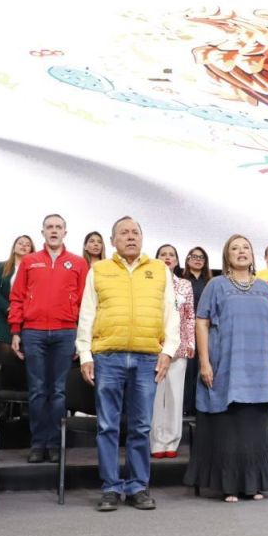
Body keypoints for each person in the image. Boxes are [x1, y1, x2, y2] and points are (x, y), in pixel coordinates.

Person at [75, 216, 179, 512]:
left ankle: (137, 487)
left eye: (135, 232)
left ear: (142, 238)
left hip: (147, 358)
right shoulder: (99, 270)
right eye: (124, 233)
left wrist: (168, 351)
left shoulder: (159, 270)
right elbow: (87, 313)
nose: (131, 237)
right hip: (108, 357)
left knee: (141, 427)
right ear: (113, 241)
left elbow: (170, 314)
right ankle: (110, 487)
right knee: (107, 426)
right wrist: (85, 354)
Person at [183, 234, 268, 502]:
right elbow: (201, 322)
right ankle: (228, 486)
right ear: (227, 255)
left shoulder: (264, 287)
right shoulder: (216, 285)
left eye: (245, 247)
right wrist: (204, 361)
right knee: (229, 427)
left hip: (258, 368)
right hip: (225, 366)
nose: (241, 251)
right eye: (235, 248)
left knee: (253, 428)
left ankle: (254, 484)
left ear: (252, 255)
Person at [8, 215, 88, 464]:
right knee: (37, 391)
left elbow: (86, 302)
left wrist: (82, 337)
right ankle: (37, 443)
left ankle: (54, 444)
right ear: (42, 232)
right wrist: (15, 330)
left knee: (58, 392)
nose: (54, 231)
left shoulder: (78, 263)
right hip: (33, 332)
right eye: (49, 227)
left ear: (65, 232)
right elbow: (17, 297)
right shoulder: (30, 261)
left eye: (58, 227)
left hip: (66, 332)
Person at [150, 244, 195, 458]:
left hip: (179, 347)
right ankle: (156, 442)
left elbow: (189, 316)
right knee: (156, 397)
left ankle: (171, 442)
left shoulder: (185, 284)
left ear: (177, 261)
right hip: (154, 347)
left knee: (175, 396)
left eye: (171, 255)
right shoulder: (149, 282)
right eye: (163, 254)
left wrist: (190, 343)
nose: (167, 257)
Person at [182, 246, 212, 415]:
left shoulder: (210, 283)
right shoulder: (181, 281)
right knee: (188, 371)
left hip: (206, 331)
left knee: (204, 367)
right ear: (187, 259)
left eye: (201, 257)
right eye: (194, 256)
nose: (198, 259)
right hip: (186, 332)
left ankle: (202, 406)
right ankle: (187, 407)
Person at [0, 235, 34, 343]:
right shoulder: (0, 266)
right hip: (4, 316)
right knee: (4, 349)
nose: (24, 246)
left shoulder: (34, 269)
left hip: (27, 317)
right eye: (20, 243)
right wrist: (8, 308)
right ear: (13, 248)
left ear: (31, 251)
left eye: (28, 245)